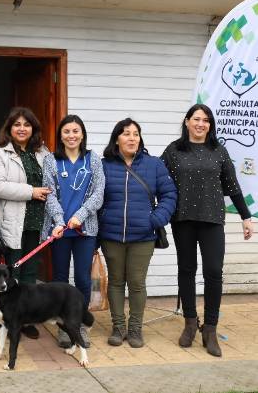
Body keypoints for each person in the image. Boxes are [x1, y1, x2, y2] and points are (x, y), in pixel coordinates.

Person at [162, 103, 254, 357]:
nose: (201, 124)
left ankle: (210, 328)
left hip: (212, 219)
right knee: (187, 270)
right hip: (183, 219)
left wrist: (246, 217)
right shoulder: (174, 151)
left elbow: (233, 186)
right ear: (187, 121)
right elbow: (157, 178)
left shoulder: (219, 151)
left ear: (210, 125)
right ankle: (190, 323)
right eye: (197, 119)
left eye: (206, 120)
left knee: (213, 272)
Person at [99, 118, 177, 348]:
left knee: (136, 283)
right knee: (114, 281)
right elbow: (94, 197)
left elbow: (169, 194)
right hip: (111, 235)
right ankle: (118, 326)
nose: (132, 138)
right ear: (116, 139)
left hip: (143, 236)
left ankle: (135, 329)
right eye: (126, 134)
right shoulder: (104, 165)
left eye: (136, 134)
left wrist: (155, 220)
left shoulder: (154, 165)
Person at [0, 107, 51, 339]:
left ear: (33, 128)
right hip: (15, 221)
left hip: (38, 221)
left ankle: (26, 318)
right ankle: (7, 318)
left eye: (27, 124)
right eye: (17, 124)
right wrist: (31, 191)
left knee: (30, 274)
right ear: (9, 128)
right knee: (11, 273)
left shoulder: (43, 152)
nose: (22, 128)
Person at [42, 114, 105, 348]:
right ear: (60, 135)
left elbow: (99, 193)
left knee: (82, 280)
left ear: (82, 134)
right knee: (59, 280)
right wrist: (59, 220)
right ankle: (63, 328)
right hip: (59, 231)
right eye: (67, 131)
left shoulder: (93, 159)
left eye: (76, 131)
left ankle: (78, 325)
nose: (71, 135)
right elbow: (49, 194)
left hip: (84, 231)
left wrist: (81, 215)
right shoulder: (51, 160)